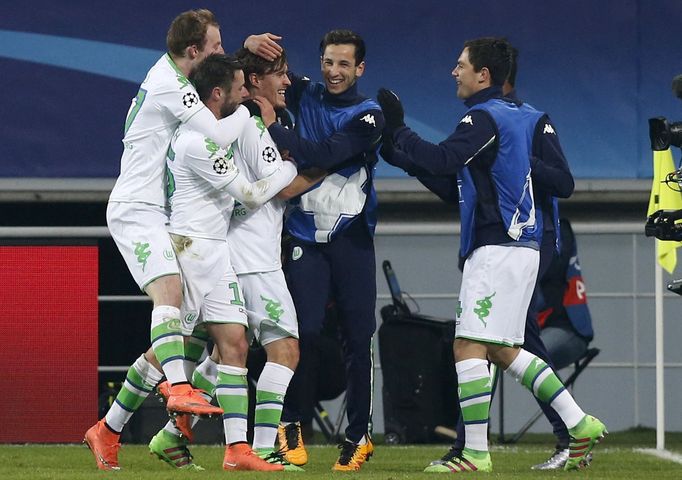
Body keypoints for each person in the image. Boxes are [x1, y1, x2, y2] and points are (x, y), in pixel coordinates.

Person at [377, 37, 606, 473]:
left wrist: (399, 127)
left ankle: (475, 454)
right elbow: (454, 184)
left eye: (460, 64)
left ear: (484, 75)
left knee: (468, 345)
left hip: (498, 248)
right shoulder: (515, 117)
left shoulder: (483, 118)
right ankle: (578, 424)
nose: (453, 71)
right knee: (503, 348)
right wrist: (402, 155)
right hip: (519, 248)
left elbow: (443, 159)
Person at [83, 8, 280, 471]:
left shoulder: (172, 71)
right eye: (215, 46)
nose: (220, 53)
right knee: (169, 301)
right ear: (194, 51)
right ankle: (175, 388)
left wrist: (243, 51)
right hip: (139, 210)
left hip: (162, 215)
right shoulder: (172, 88)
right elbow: (215, 123)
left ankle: (110, 429)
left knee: (193, 339)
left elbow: (214, 80)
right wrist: (252, 111)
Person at [148, 49, 324, 471]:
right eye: (278, 75)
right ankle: (259, 447)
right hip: (248, 259)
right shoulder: (247, 125)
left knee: (221, 354)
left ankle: (168, 434)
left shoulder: (245, 124)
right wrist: (312, 166)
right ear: (254, 82)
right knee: (282, 349)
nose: (286, 82)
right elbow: (269, 189)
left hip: (236, 252)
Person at [252, 29, 384, 471]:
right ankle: (289, 424)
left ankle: (358, 435)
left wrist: (274, 127)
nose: (334, 72)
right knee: (300, 332)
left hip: (352, 243)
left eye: (344, 64)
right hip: (305, 239)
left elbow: (319, 153)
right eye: (329, 62)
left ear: (360, 68)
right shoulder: (303, 90)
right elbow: (257, 76)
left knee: (357, 338)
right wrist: (251, 46)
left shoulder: (369, 118)